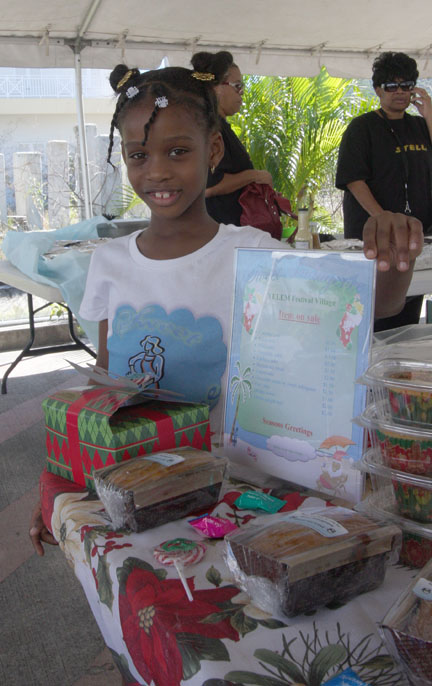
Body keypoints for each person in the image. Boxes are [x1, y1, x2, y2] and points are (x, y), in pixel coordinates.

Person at [30, 64, 423, 558]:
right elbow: (105, 384)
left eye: (178, 151)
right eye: (138, 155)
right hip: (136, 485)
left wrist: (394, 256)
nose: (157, 171)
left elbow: (375, 307)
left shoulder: (254, 254)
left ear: (213, 150)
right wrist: (63, 481)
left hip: (233, 494)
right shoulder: (110, 261)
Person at [336, 51, 432, 330]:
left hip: (416, 242)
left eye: (407, 85)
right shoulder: (362, 128)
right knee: (373, 318)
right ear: (378, 89)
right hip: (374, 242)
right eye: (391, 86)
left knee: (406, 319)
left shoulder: (421, 126)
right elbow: (354, 180)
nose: (400, 92)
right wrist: (383, 220)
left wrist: (429, 115)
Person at [190, 50, 273, 226]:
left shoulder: (219, 126)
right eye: (237, 86)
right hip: (219, 229)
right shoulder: (209, 127)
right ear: (216, 88)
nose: (241, 92)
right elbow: (209, 186)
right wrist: (254, 175)